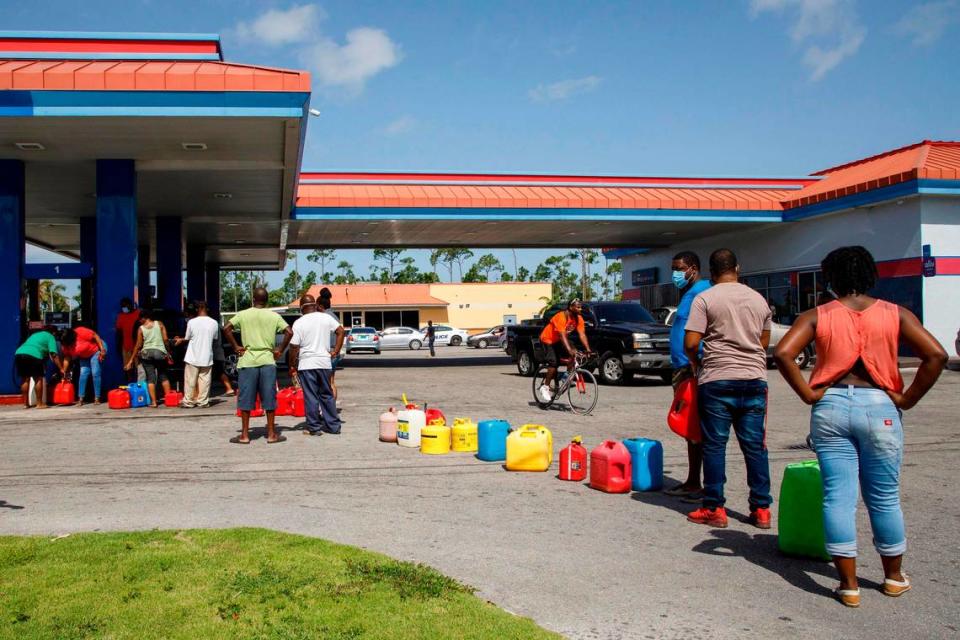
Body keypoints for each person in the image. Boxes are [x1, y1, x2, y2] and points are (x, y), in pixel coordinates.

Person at [774, 246, 947, 608]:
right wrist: (907, 399)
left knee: (838, 497)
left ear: (833, 278)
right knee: (883, 498)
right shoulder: (895, 314)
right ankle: (894, 578)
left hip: (831, 405)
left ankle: (848, 585)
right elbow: (937, 355)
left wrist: (808, 393)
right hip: (880, 406)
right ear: (869, 275)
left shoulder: (817, 315)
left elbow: (783, 353)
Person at [683, 249, 772, 530]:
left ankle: (714, 508)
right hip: (755, 380)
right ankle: (761, 509)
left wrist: (698, 364)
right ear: (738, 267)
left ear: (711, 271)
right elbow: (764, 342)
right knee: (755, 447)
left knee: (714, 446)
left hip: (717, 379)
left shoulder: (705, 298)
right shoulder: (758, 299)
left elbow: (690, 343)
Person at [663, 250, 711, 502]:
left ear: (692, 268)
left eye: (679, 268)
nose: (675, 274)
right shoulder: (688, 294)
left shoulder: (701, 291)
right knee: (690, 428)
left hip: (692, 368)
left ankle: (696, 483)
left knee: (695, 427)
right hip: (683, 367)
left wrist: (696, 362)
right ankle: (694, 480)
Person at [224, 287, 293, 445]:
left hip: (248, 360)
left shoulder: (243, 314)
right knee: (269, 397)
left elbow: (226, 328)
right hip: (267, 360)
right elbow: (289, 331)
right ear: (267, 300)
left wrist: (236, 347)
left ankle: (244, 435)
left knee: (246, 398)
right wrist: (280, 349)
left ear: (253, 299)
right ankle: (271, 434)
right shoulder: (274, 316)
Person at [289, 294, 345, 436]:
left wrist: (292, 364)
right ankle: (333, 426)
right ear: (314, 305)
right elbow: (341, 331)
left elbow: (294, 347)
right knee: (326, 395)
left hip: (307, 364)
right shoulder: (325, 318)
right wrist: (336, 351)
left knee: (311, 396)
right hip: (324, 363)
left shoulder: (299, 323)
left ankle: (314, 428)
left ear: (302, 308)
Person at [537, 298, 592, 403]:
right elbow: (562, 335)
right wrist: (569, 350)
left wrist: (588, 349)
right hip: (548, 340)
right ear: (571, 307)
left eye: (581, 307)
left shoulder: (578, 318)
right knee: (553, 363)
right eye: (578, 307)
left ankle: (566, 376)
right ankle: (545, 387)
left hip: (560, 340)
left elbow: (582, 334)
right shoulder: (561, 316)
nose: (580, 309)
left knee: (575, 352)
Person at [174, 301, 220, 408]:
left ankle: (189, 402)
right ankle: (203, 402)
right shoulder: (214, 323)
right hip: (207, 356)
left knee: (190, 380)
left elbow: (187, 337)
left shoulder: (191, 322)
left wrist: (180, 339)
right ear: (207, 309)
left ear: (197, 309)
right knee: (205, 381)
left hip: (192, 356)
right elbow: (214, 338)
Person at [124, 308, 172, 407]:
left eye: (140, 319)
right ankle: (169, 400)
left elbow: (138, 345)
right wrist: (168, 352)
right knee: (163, 376)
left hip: (146, 354)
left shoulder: (141, 328)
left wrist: (131, 360)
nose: (139, 321)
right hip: (160, 353)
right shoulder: (159, 324)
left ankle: (154, 402)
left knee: (151, 378)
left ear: (145, 318)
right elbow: (166, 339)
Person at [14, 327, 62, 409]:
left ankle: (25, 404)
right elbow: (53, 354)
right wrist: (61, 368)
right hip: (34, 354)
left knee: (25, 379)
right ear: (53, 333)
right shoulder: (50, 336)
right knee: (38, 378)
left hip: (19, 353)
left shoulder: (34, 335)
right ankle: (39, 404)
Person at [60, 325, 108, 406]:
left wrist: (102, 350)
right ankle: (81, 398)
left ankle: (97, 398)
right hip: (83, 356)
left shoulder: (80, 332)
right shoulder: (65, 345)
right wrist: (64, 372)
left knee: (95, 372)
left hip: (96, 350)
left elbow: (95, 336)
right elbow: (67, 358)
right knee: (83, 374)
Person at [318, 288, 342, 410]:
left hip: (329, 353)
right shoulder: (334, 315)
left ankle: (327, 409)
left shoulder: (324, 317)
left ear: (320, 305)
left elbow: (340, 333)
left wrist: (334, 351)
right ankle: (331, 407)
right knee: (331, 382)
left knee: (325, 384)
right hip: (334, 353)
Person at [115, 297, 141, 383]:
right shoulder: (120, 316)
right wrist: (118, 346)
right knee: (127, 368)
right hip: (126, 346)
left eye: (125, 306)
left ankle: (139, 385)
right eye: (122, 306)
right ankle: (129, 385)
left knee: (139, 368)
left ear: (130, 305)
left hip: (138, 346)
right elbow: (119, 333)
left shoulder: (138, 313)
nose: (124, 308)